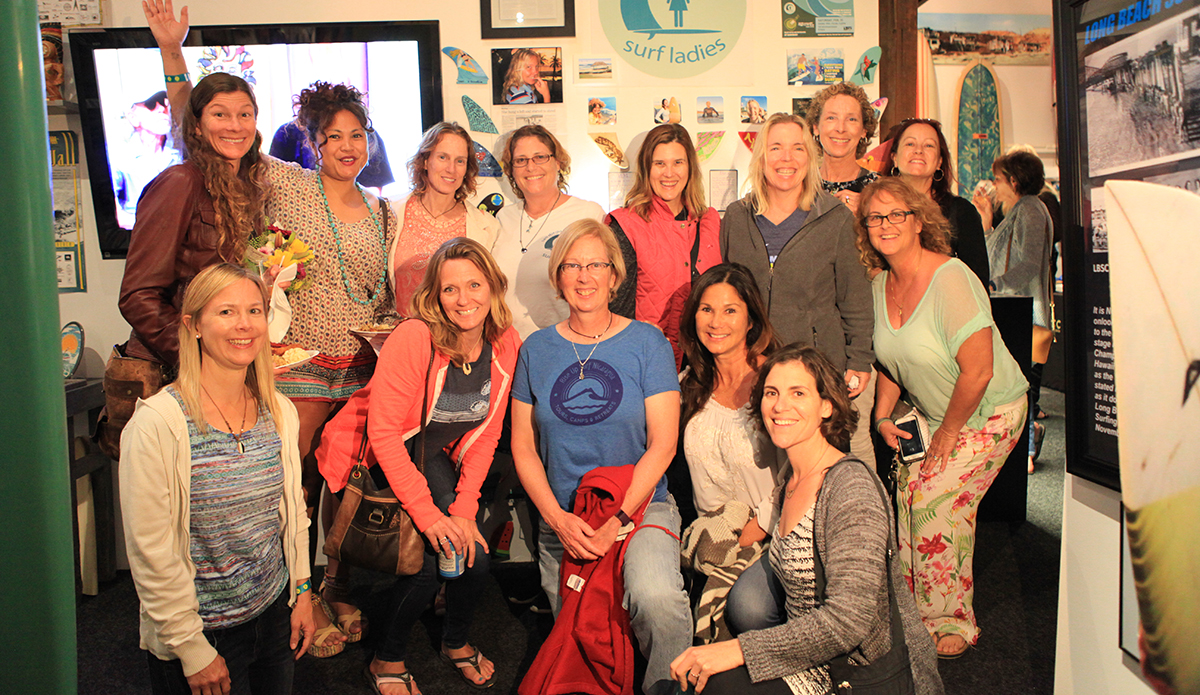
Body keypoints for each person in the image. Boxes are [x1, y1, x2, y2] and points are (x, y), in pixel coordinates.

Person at [668, 345, 942, 695]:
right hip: (811, 660)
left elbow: (848, 622)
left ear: (827, 406)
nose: (781, 406)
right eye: (771, 393)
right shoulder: (790, 483)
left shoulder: (849, 488)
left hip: (856, 674)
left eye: (798, 392)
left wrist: (738, 651)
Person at [316, 237, 521, 693]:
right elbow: (386, 435)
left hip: (436, 454)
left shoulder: (505, 340)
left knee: (473, 555)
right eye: (451, 289)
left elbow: (487, 433)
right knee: (428, 565)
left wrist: (465, 508)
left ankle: (455, 642)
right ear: (435, 295)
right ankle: (386, 660)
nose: (464, 299)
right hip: (388, 450)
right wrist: (430, 518)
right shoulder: (414, 337)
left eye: (474, 284)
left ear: (492, 287)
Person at [511, 219, 690, 695]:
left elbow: (664, 444)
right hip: (566, 519)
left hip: (638, 508)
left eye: (596, 264)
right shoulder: (536, 349)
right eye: (572, 265)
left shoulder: (648, 343)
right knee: (581, 638)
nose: (584, 275)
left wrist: (620, 519)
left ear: (615, 276)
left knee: (657, 603)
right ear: (557, 276)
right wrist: (557, 520)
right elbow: (523, 447)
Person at [120, 263, 314, 694]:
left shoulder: (280, 412)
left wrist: (303, 591)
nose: (244, 325)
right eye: (226, 312)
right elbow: (151, 551)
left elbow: (292, 514)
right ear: (193, 325)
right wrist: (192, 649)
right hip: (202, 635)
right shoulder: (158, 424)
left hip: (273, 616)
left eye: (254, 310)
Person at [857, 177, 1028, 658]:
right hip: (935, 411)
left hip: (990, 411)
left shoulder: (951, 277)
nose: (885, 225)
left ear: (918, 221)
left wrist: (948, 434)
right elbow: (892, 357)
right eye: (875, 217)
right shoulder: (878, 285)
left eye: (896, 215)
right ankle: (912, 612)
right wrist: (882, 414)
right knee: (906, 498)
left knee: (936, 500)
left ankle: (950, 620)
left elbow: (979, 370)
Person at [103, 67, 270, 460]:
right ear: (196, 125)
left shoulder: (247, 190)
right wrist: (193, 359)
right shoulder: (180, 182)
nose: (235, 125)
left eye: (244, 114)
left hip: (225, 376)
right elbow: (137, 294)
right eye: (220, 114)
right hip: (172, 377)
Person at [720, 112, 876, 470]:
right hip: (755, 365)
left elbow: (855, 298)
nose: (786, 159)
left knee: (819, 465)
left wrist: (860, 359)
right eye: (776, 148)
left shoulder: (836, 219)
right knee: (760, 468)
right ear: (761, 157)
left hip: (818, 368)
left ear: (810, 159)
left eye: (797, 149)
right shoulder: (736, 218)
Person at [677, 263, 781, 641]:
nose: (716, 321)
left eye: (730, 310)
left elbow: (804, 473)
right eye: (706, 309)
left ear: (751, 319)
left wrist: (757, 528)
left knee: (749, 607)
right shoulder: (689, 384)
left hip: (771, 531)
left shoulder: (776, 381)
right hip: (712, 536)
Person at [607, 123, 721, 368]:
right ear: (647, 168)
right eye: (660, 164)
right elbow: (615, 307)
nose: (669, 173)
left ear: (690, 167)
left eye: (678, 162)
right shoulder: (625, 225)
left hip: (706, 365)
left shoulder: (711, 221)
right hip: (647, 363)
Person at [495, 125, 605, 339]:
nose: (530, 166)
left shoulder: (589, 214)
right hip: (508, 347)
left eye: (540, 157)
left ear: (557, 162)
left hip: (567, 345)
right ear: (511, 170)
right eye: (521, 160)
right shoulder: (501, 219)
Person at [987, 150, 1054, 472]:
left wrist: (995, 286)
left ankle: (1025, 448)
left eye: (999, 179)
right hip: (1016, 310)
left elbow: (1028, 263)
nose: (995, 186)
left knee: (1021, 385)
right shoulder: (1019, 210)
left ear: (1014, 180)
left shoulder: (1029, 209)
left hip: (1026, 314)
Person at [389, 121, 501, 313]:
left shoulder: (486, 226)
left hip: (456, 338)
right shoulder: (392, 212)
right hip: (402, 335)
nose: (451, 169)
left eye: (460, 161)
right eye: (443, 157)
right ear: (425, 161)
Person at [880, 117, 990, 287]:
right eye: (910, 144)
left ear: (939, 162)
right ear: (894, 157)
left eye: (929, 145)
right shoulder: (877, 208)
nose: (918, 151)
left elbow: (977, 284)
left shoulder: (961, 212)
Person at [804, 81, 879, 216]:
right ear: (816, 127)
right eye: (831, 118)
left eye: (851, 119)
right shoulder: (800, 185)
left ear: (864, 130)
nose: (841, 128)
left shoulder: (879, 190)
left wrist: (866, 214)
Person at [111, 90, 181, 229]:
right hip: (138, 237)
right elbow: (113, 213)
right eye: (150, 105)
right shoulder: (120, 157)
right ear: (133, 117)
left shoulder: (182, 153)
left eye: (164, 104)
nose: (162, 109)